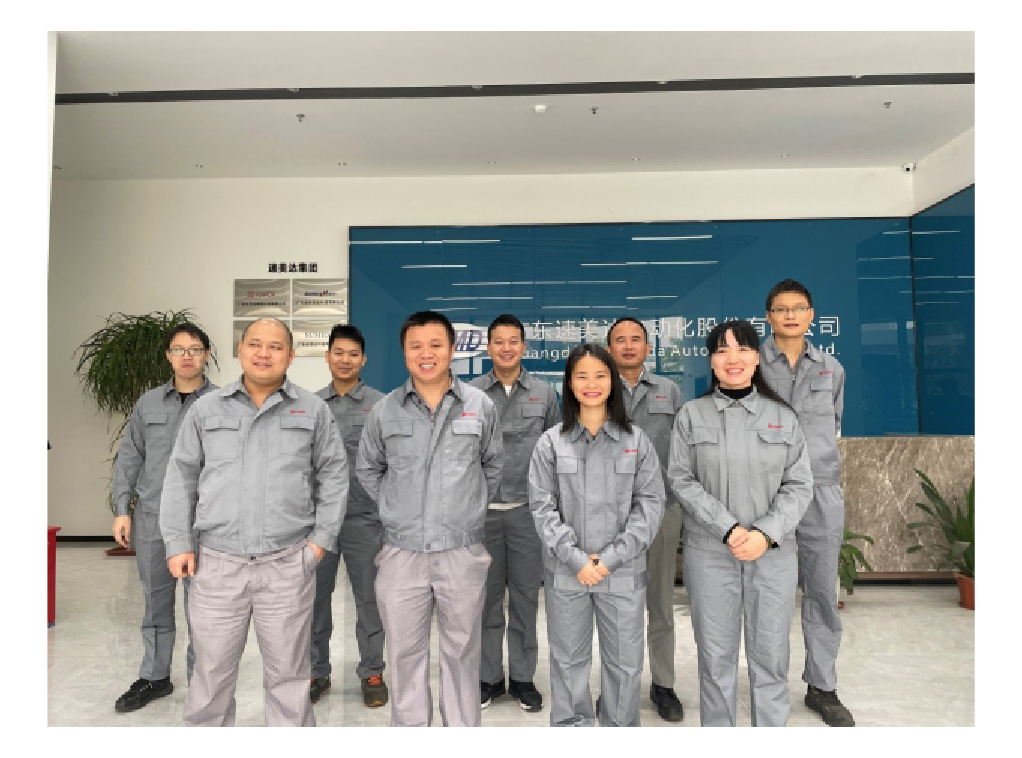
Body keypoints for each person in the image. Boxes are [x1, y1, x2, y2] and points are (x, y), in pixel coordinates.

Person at [160, 317, 347, 727]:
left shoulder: (312, 410)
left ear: (291, 356)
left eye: (275, 347)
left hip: (287, 565)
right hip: (216, 565)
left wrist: (320, 541)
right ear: (240, 350)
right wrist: (177, 542)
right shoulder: (206, 409)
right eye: (255, 344)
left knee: (289, 677)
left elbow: (334, 475)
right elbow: (181, 476)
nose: (264, 354)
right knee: (210, 676)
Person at [356, 310, 503, 727]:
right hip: (401, 552)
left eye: (436, 345)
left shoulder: (480, 406)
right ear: (404, 353)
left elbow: (493, 464)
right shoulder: (385, 411)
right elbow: (368, 468)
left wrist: (467, 508)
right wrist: (396, 507)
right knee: (404, 655)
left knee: (462, 653)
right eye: (416, 346)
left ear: (452, 349)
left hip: (462, 550)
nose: (426, 354)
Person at [667, 319, 813, 727]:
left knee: (771, 656)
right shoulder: (691, 416)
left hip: (772, 555)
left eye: (742, 348)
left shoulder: (783, 417)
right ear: (711, 361)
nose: (733, 358)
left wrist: (765, 533)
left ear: (757, 357)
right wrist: (728, 529)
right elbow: (681, 478)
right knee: (716, 658)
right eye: (722, 350)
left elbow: (800, 483)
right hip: (711, 554)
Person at [528, 343, 664, 727]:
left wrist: (610, 559)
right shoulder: (550, 443)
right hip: (567, 574)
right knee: (568, 662)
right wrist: (576, 559)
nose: (592, 384)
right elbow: (542, 507)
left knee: (624, 664)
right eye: (582, 376)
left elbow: (650, 505)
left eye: (600, 375)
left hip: (621, 572)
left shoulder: (636, 441)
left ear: (613, 382)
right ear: (570, 384)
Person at [760, 279, 854, 726]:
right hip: (768, 495)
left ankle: (822, 686)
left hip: (819, 492)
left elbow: (834, 424)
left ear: (812, 316)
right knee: (770, 595)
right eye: (782, 309)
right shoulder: (751, 365)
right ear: (769, 317)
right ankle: (770, 684)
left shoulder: (831, 369)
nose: (790, 315)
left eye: (799, 308)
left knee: (820, 592)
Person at [110, 323, 218, 713]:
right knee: (156, 602)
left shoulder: (222, 403)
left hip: (203, 522)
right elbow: (130, 457)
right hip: (153, 517)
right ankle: (155, 676)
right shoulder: (148, 404)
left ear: (207, 354)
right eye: (179, 349)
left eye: (194, 349)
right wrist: (122, 509)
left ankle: (201, 681)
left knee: (201, 607)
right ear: (168, 356)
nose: (187, 356)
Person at [469, 314, 560, 713]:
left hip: (527, 513)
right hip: (483, 514)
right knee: (486, 600)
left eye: (513, 341)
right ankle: (488, 678)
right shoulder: (470, 394)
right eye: (499, 341)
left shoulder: (544, 393)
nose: (506, 348)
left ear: (523, 346)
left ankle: (523, 678)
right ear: (489, 347)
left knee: (525, 599)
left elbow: (556, 450)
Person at [605, 316, 685, 722]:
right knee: (615, 607)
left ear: (648, 348)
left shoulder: (670, 391)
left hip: (661, 510)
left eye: (636, 339)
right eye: (620, 340)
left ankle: (663, 684)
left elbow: (685, 451)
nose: (628, 345)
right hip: (609, 515)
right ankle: (616, 685)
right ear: (609, 349)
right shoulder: (599, 389)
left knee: (660, 604)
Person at [310, 324, 388, 708]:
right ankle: (315, 670)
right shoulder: (309, 405)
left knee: (370, 599)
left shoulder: (382, 405)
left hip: (365, 519)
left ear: (363, 359)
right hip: (318, 522)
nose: (345, 360)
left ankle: (372, 671)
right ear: (327, 357)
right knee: (314, 599)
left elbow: (391, 463)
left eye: (352, 354)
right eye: (338, 353)